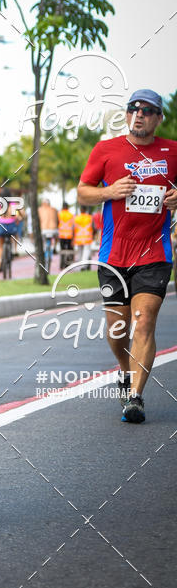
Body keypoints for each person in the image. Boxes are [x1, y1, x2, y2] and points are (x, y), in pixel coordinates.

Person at [77, 88, 177, 423]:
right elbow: (83, 191)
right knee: (117, 330)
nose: (140, 115)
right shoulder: (107, 149)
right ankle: (124, 368)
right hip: (114, 254)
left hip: (154, 252)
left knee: (144, 322)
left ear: (158, 118)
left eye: (148, 111)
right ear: (126, 114)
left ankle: (135, 396)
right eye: (134, 109)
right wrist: (108, 191)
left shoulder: (173, 151)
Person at [0, 201, 19, 272]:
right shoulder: (13, 204)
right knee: (14, 235)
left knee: (1, 246)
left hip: (2, 226)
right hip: (11, 226)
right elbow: (14, 216)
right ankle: (13, 250)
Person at [38, 198, 58, 267]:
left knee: (43, 242)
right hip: (54, 230)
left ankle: (44, 252)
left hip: (44, 230)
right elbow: (58, 221)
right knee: (54, 238)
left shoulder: (40, 210)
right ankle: (54, 248)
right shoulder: (54, 209)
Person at [57, 202, 75, 269]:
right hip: (69, 235)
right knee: (69, 250)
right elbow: (73, 226)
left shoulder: (59, 214)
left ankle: (62, 265)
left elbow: (57, 223)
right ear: (67, 207)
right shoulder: (71, 215)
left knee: (62, 250)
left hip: (61, 235)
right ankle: (68, 264)